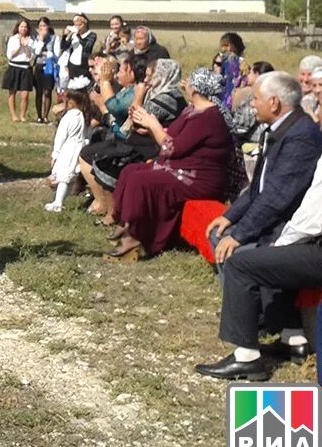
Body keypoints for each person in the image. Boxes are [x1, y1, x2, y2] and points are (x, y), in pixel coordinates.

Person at [195, 152, 322, 381]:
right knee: (274, 257)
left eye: (319, 112)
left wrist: (281, 244)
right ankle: (293, 340)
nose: (317, 114)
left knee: (242, 264)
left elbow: (312, 217)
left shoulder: (301, 137)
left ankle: (246, 358)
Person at [105, 69, 240, 261]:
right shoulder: (193, 110)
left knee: (141, 179)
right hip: (181, 167)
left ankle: (135, 236)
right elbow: (174, 135)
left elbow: (173, 147)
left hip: (198, 178)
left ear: (194, 89)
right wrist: (149, 128)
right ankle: (126, 223)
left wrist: (154, 125)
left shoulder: (208, 117)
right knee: (130, 171)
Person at [205, 72, 322, 261]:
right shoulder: (281, 129)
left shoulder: (301, 136)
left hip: (283, 227)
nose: (252, 104)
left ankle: (246, 288)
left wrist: (239, 235)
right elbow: (259, 186)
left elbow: (277, 196)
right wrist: (229, 216)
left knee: (237, 254)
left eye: (256, 99)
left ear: (273, 103)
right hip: (271, 218)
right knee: (218, 232)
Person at [79, 59, 186, 220]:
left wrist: (138, 95)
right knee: (99, 154)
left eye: (151, 76)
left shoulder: (167, 97)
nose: (147, 80)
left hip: (151, 148)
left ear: (163, 76)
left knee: (107, 161)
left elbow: (131, 119)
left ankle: (113, 212)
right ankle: (110, 209)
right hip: (141, 142)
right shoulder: (159, 93)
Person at [46, 89, 90, 212]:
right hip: (79, 147)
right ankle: (59, 200)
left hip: (68, 148)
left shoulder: (69, 116)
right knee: (70, 176)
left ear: (70, 101)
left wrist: (55, 154)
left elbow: (61, 136)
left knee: (63, 176)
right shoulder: (83, 115)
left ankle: (58, 202)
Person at [2, 18, 35, 122]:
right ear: (18, 27)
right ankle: (13, 116)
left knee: (25, 94)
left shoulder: (31, 40)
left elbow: (31, 57)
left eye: (25, 27)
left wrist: (26, 47)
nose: (23, 29)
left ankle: (23, 116)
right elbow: (10, 56)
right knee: (12, 93)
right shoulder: (13, 39)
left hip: (25, 68)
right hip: (14, 67)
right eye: (21, 26)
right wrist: (19, 46)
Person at [32, 17, 60, 124]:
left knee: (47, 91)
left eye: (44, 26)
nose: (42, 28)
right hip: (39, 66)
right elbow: (36, 52)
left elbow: (56, 54)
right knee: (39, 91)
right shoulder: (36, 38)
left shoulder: (54, 38)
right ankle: (39, 116)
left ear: (48, 26)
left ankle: (46, 115)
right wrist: (41, 40)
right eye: (40, 26)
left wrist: (46, 54)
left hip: (49, 66)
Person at [212, 32, 247, 109]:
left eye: (226, 45)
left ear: (234, 46)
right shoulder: (221, 61)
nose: (223, 49)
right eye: (222, 46)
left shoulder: (241, 64)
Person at [64, 14, 97, 80]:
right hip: (72, 64)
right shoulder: (73, 35)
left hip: (83, 65)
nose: (77, 27)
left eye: (80, 25)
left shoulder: (91, 35)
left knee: (83, 85)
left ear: (85, 24)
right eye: (75, 25)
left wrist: (78, 35)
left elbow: (86, 46)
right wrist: (65, 36)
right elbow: (64, 46)